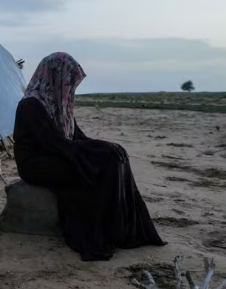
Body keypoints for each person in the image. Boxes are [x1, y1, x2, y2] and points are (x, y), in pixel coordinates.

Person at [13, 52, 165, 261]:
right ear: (55, 76)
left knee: (112, 157)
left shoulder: (58, 104)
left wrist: (108, 147)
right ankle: (95, 233)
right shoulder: (31, 105)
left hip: (56, 154)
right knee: (89, 167)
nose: (71, 88)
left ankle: (118, 230)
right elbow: (56, 143)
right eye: (68, 81)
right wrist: (99, 149)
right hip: (35, 164)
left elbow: (77, 138)